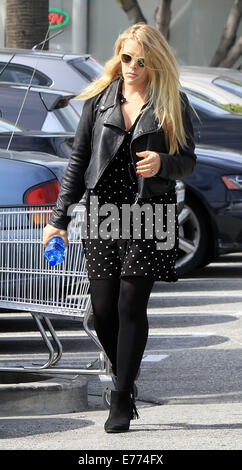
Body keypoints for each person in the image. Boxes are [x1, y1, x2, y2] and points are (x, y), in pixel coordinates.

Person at [43, 23, 197, 433]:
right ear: (119, 55)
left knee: (131, 305)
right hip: (102, 213)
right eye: (125, 57)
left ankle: (122, 395)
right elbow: (77, 163)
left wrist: (164, 164)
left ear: (155, 62)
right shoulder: (99, 101)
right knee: (105, 310)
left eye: (140, 60)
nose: (131, 66)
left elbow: (188, 161)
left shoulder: (172, 103)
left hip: (150, 211)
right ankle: (122, 377)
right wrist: (58, 220)